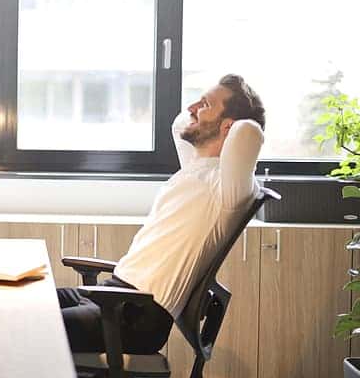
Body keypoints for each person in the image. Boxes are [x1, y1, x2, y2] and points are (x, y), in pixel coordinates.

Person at [58, 74, 266, 354]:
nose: (192, 108)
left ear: (229, 127)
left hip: (134, 318)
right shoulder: (197, 169)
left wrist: (235, 120)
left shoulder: (228, 190)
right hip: (111, 297)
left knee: (23, 326)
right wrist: (208, 110)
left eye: (204, 104)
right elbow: (179, 124)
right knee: (16, 302)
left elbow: (249, 132)